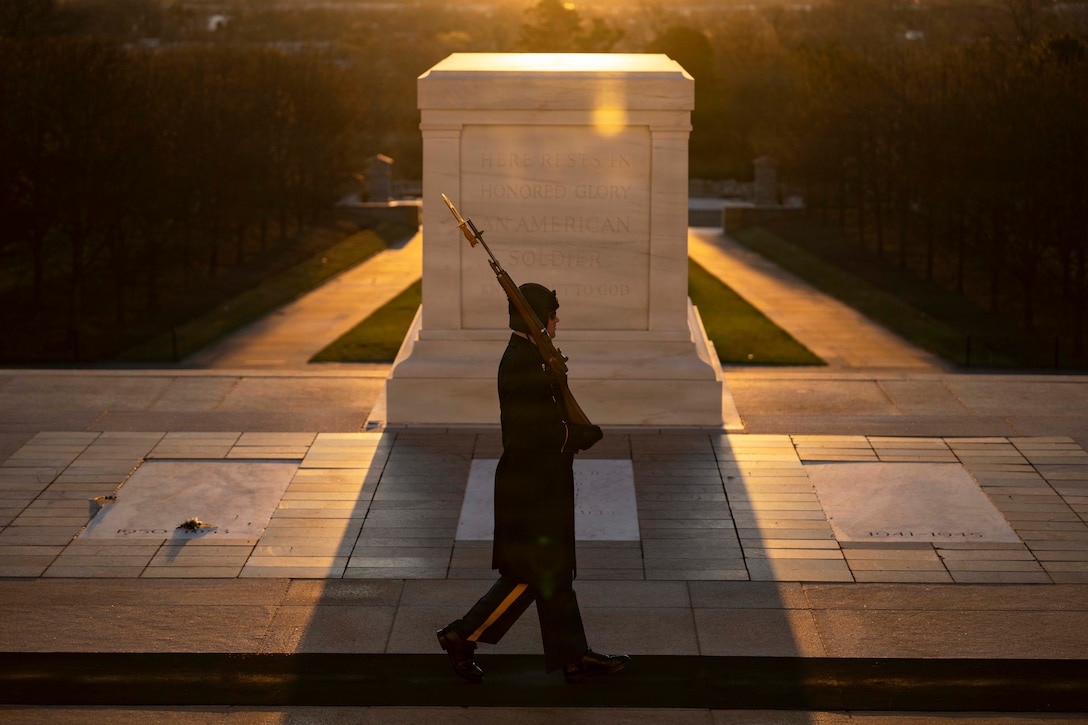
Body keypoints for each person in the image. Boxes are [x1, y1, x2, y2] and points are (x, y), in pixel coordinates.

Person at [437, 282, 630, 684]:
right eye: (552, 314)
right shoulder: (521, 363)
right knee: (529, 575)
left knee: (555, 574)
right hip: (530, 487)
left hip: (543, 482)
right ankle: (462, 634)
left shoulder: (533, 357)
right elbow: (530, 435)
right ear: (537, 319)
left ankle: (574, 656)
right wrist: (574, 436)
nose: (557, 320)